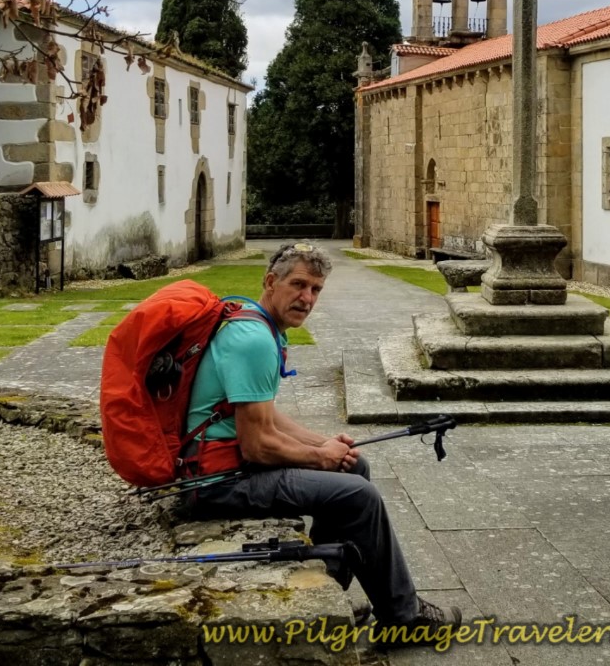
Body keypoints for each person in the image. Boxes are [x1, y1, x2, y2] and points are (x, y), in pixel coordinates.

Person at [183, 242, 460, 634]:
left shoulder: (258, 326)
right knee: (359, 495)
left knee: (353, 464)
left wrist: (325, 443)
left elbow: (265, 417)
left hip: (227, 468)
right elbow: (256, 445)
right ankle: (403, 617)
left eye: (316, 289)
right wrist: (319, 457)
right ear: (270, 282)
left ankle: (328, 592)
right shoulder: (254, 341)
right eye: (298, 285)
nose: (307, 298)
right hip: (215, 483)